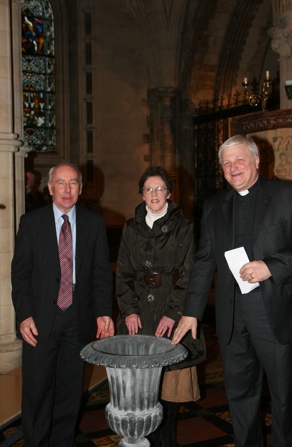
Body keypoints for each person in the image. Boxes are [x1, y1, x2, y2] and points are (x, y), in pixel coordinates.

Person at [172, 135, 292, 447]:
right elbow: (202, 263)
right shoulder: (214, 206)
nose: (232, 167)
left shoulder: (288, 195)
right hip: (233, 318)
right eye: (226, 163)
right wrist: (190, 312)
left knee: (284, 401)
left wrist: (271, 266)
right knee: (240, 398)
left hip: (275, 314)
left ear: (256, 161)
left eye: (239, 160)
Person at [11, 162, 114, 447]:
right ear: (50, 187)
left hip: (78, 317)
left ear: (80, 189)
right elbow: (20, 274)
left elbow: (101, 273)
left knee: (70, 391)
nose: (67, 190)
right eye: (61, 183)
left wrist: (104, 311)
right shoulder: (31, 223)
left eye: (72, 184)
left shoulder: (94, 223)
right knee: (38, 388)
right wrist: (24, 314)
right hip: (41, 319)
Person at [116, 166, 205, 447]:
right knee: (140, 392)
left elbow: (191, 275)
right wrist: (129, 310)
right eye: (148, 189)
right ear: (142, 194)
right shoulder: (131, 228)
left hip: (171, 315)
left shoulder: (185, 227)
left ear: (169, 192)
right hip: (139, 315)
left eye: (159, 189)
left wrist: (173, 313)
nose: (154, 194)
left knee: (168, 392)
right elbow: (123, 273)